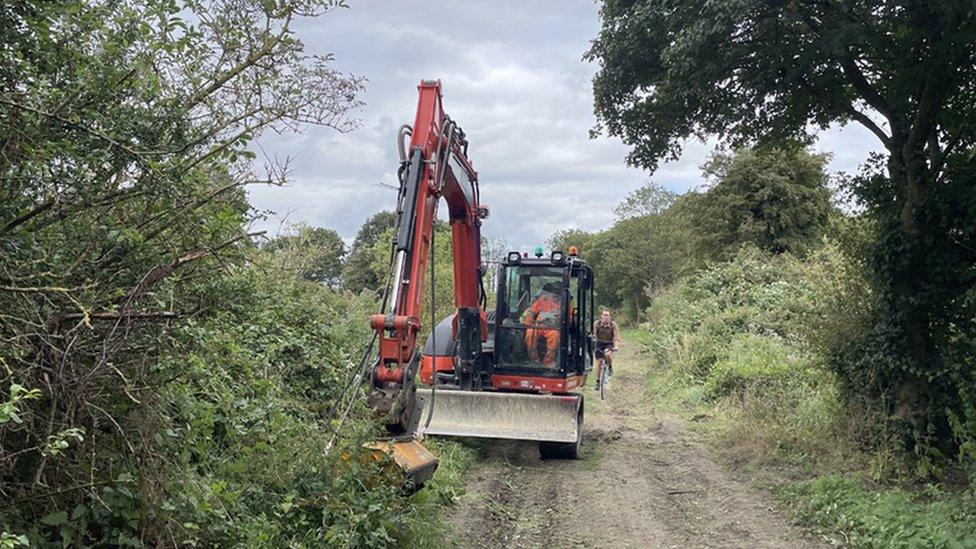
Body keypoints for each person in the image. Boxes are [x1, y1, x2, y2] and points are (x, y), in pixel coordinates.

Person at [521, 281, 562, 365]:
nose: (556, 292)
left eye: (558, 290)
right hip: (539, 325)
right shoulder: (544, 299)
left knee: (554, 336)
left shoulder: (565, 303)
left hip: (554, 328)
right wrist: (529, 322)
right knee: (530, 332)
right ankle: (534, 360)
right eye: (555, 290)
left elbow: (568, 319)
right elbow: (532, 310)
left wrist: (558, 320)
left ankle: (548, 361)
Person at [593, 309, 621, 390]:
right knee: (598, 363)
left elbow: (616, 337)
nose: (605, 317)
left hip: (609, 343)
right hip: (599, 343)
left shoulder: (613, 325)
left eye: (607, 315)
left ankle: (610, 367)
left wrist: (616, 346)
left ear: (610, 317)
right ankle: (597, 382)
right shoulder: (596, 324)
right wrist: (592, 345)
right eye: (604, 315)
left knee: (607, 354)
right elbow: (593, 335)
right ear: (601, 316)